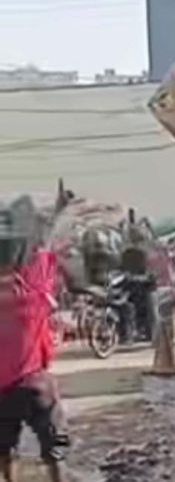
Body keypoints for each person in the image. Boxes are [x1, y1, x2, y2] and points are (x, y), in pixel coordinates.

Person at [0, 198, 68, 482]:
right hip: (36, 385)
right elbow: (47, 248)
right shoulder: (34, 287)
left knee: (4, 449)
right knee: (55, 448)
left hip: (1, 391)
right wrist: (60, 210)